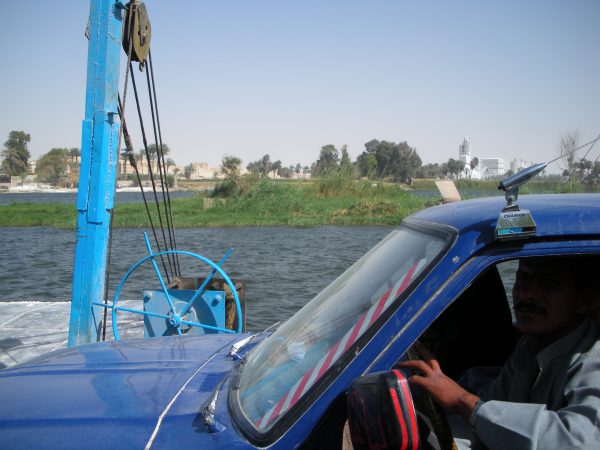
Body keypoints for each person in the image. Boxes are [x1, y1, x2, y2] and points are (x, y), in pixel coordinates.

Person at [400, 256, 600, 449]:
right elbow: (486, 418)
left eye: (548, 283)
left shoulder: (592, 359)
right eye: (523, 278)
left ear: (585, 300)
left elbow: (581, 441)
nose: (527, 294)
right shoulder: (530, 347)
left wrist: (462, 400)